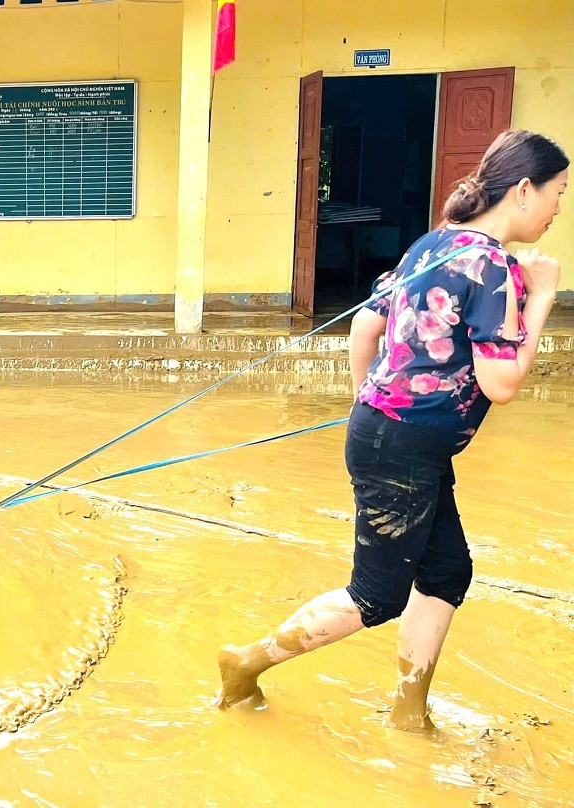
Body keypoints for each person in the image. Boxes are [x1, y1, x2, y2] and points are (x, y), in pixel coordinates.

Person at [217, 130, 567, 730]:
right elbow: (501, 384)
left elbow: (362, 333)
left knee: (447, 572)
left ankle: (409, 713)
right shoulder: (493, 267)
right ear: (525, 190)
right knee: (376, 596)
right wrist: (542, 299)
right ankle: (244, 663)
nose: (560, 207)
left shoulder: (432, 244)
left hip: (396, 437)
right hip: (404, 444)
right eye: (559, 192)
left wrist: (372, 404)